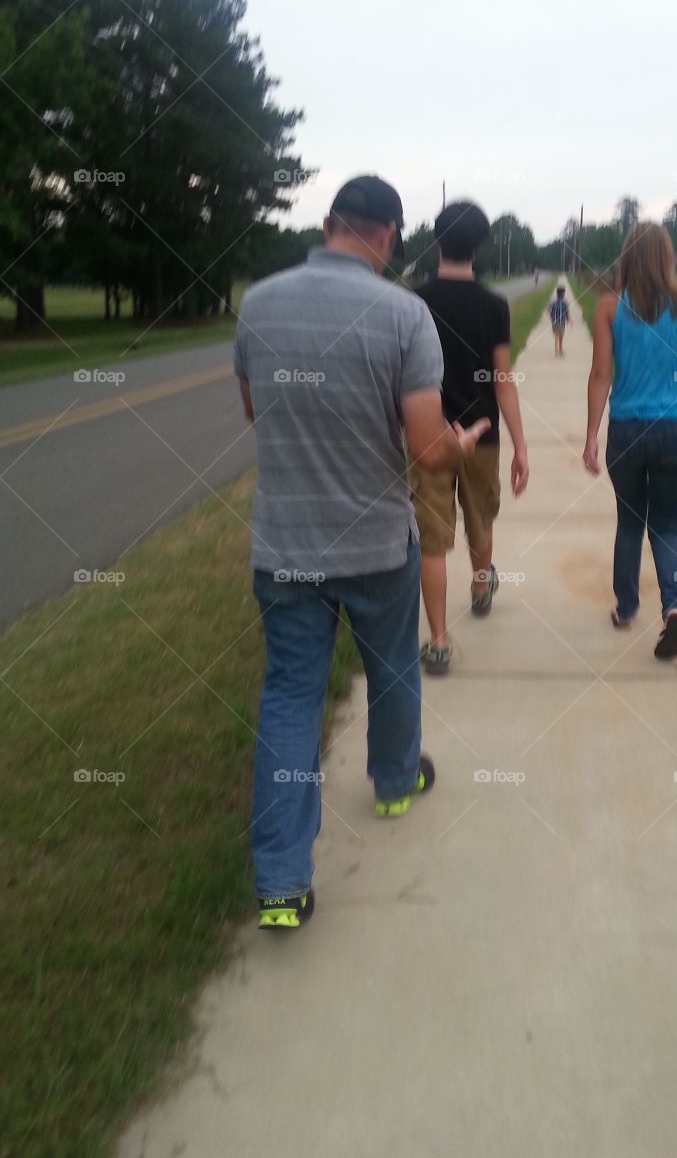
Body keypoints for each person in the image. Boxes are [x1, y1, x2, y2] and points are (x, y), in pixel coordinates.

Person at [234, 175, 489, 929]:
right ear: (386, 236)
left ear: (328, 224)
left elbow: (258, 412)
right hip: (377, 542)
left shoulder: (258, 302)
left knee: (289, 696)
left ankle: (281, 884)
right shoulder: (403, 315)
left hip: (285, 545)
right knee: (392, 668)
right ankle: (393, 779)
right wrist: (464, 441)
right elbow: (427, 448)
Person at [410, 200, 529, 676]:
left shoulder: (413, 302)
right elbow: (502, 379)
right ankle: (481, 587)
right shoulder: (493, 305)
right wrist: (520, 445)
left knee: (432, 540)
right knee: (481, 518)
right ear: (479, 247)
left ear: (436, 241)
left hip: (426, 435)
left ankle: (438, 640)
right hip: (482, 434)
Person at [582, 221, 677, 660]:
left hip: (627, 429)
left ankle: (625, 608)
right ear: (666, 256)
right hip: (676, 428)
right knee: (667, 525)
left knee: (630, 522)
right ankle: (673, 608)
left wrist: (590, 438)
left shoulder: (608, 307)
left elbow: (601, 375)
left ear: (626, 257)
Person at [550, 284, 571, 355]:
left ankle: (556, 349)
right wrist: (568, 320)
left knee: (556, 335)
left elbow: (549, 310)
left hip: (554, 321)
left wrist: (551, 317)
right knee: (561, 335)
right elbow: (567, 312)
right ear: (563, 293)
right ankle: (560, 349)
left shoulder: (553, 301)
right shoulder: (565, 302)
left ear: (557, 293)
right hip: (562, 321)